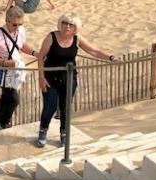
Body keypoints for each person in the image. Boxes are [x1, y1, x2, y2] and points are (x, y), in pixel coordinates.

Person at [35, 12, 121, 148]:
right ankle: (43, 130)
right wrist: (41, 77)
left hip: (69, 79)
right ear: (60, 24)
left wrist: (111, 57)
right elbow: (41, 56)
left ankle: (64, 133)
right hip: (50, 78)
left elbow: (94, 51)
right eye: (64, 23)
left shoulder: (77, 39)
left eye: (71, 24)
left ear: (75, 27)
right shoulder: (51, 37)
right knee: (50, 107)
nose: (67, 27)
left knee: (65, 107)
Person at [0, 6, 39, 130]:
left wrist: (35, 53)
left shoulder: (21, 30)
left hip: (16, 67)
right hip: (3, 69)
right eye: (15, 24)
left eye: (20, 24)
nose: (17, 27)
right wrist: (4, 63)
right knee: (13, 98)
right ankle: (4, 123)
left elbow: (22, 45)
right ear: (7, 21)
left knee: (7, 95)